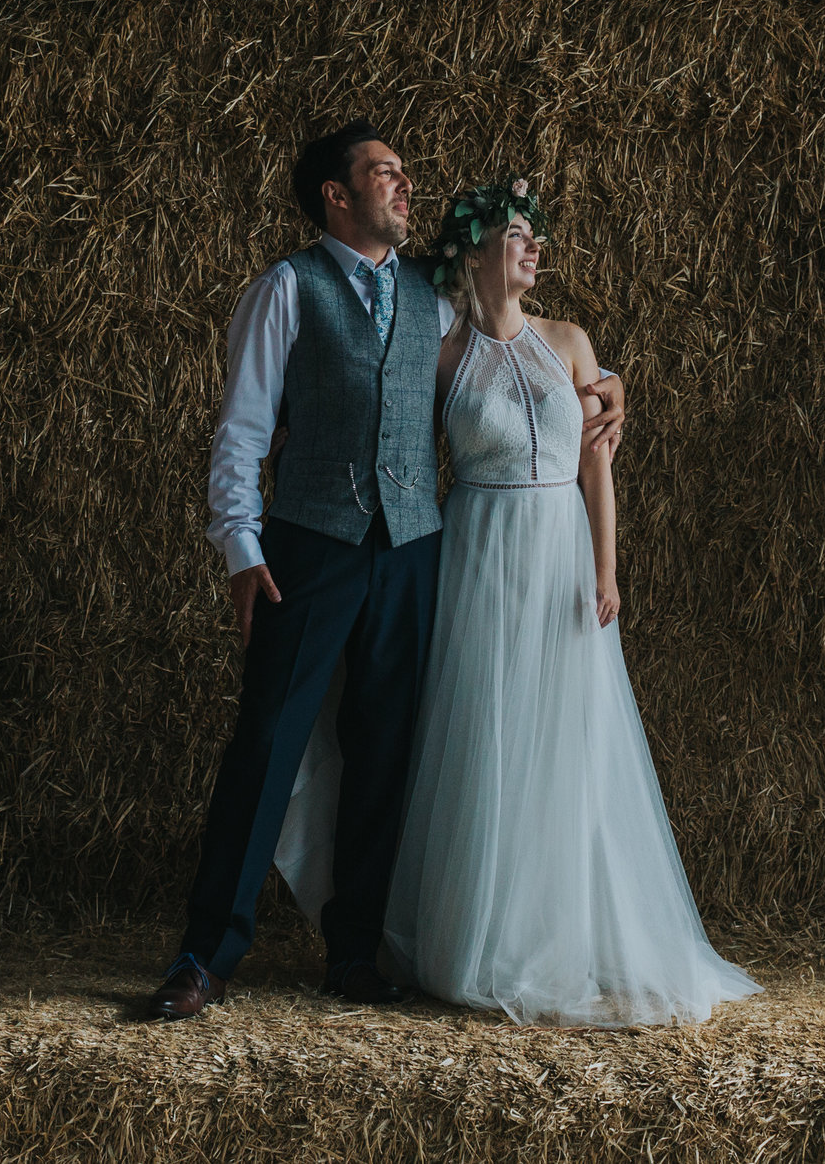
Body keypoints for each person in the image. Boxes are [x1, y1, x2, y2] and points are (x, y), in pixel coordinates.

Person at [150, 122, 623, 1022]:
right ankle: (205, 955)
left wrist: (612, 390)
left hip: (413, 554)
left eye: (405, 173)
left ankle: (354, 952)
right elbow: (244, 431)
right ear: (337, 193)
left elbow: (517, 362)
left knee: (383, 755)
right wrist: (241, 551)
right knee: (267, 744)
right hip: (309, 547)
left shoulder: (434, 299)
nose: (406, 188)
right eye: (385, 173)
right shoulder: (285, 289)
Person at [379, 181, 757, 1024]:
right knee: (486, 729)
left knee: (565, 733)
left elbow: (597, 465)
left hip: (558, 546)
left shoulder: (573, 343)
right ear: (474, 251)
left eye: (535, 235)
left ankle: (565, 929)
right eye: (517, 234)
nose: (534, 246)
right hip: (478, 548)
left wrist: (605, 568)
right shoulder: (442, 353)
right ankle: (484, 936)